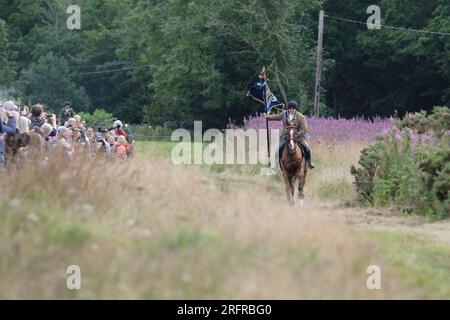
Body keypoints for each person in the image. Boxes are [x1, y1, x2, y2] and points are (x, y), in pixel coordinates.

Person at [265, 100, 315, 169]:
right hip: (285, 137)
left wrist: (297, 134)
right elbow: (277, 117)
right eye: (290, 108)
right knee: (277, 150)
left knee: (307, 148)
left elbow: (305, 129)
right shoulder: (284, 114)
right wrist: (268, 117)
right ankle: (275, 166)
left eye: (293, 108)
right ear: (288, 108)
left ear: (296, 109)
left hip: (297, 138)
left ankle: (310, 163)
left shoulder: (301, 117)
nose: (291, 110)